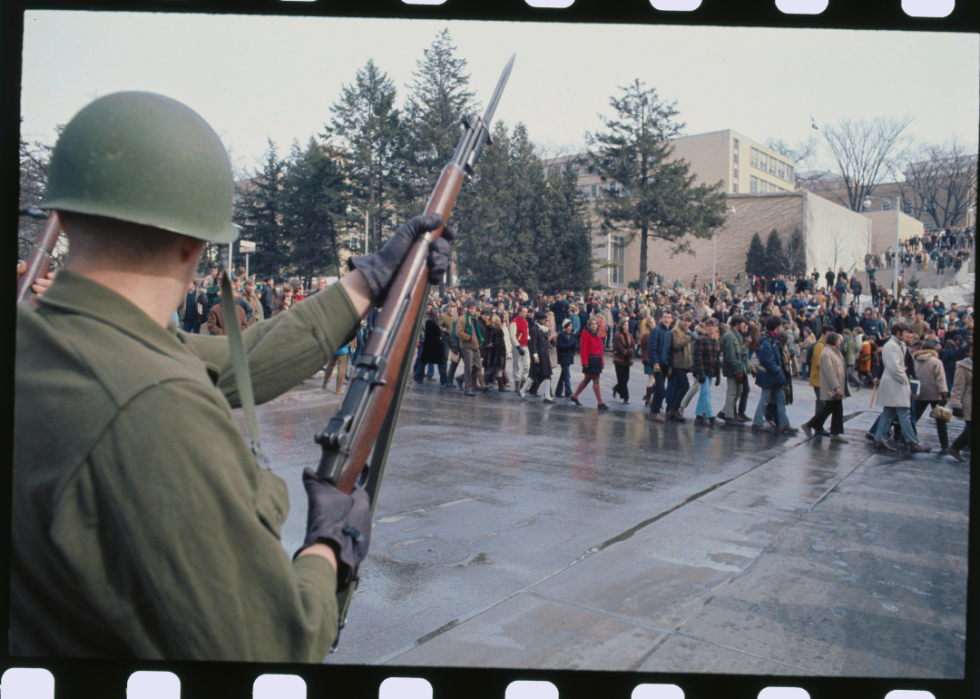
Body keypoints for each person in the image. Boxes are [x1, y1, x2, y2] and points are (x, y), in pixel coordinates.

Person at [12, 92, 450, 661]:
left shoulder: (47, 339)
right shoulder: (154, 408)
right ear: (197, 242)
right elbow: (272, 650)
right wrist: (327, 546)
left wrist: (369, 281)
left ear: (63, 218)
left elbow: (245, 359)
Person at [872, 324, 930, 453]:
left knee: (888, 413)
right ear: (898, 333)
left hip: (894, 383)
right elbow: (895, 368)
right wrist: (906, 382)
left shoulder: (896, 345)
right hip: (895, 383)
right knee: (903, 413)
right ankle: (912, 443)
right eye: (905, 333)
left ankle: (879, 440)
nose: (908, 336)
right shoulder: (892, 346)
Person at [752, 315, 799, 434]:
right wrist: (778, 372)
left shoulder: (770, 339)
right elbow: (768, 361)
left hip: (773, 376)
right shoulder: (767, 340)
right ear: (777, 327)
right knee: (765, 399)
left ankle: (784, 423)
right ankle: (757, 422)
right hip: (770, 375)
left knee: (780, 398)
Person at [801, 332, 849, 442]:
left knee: (836, 409)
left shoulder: (835, 351)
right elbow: (829, 372)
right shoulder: (827, 353)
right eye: (839, 340)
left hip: (836, 386)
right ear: (834, 341)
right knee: (828, 408)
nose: (840, 342)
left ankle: (835, 433)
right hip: (831, 387)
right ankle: (809, 424)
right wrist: (836, 387)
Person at [911, 340, 950, 452]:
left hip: (920, 392)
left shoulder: (915, 361)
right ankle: (945, 445)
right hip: (935, 394)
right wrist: (944, 393)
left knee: (914, 417)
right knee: (941, 420)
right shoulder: (936, 362)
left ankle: (907, 438)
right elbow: (940, 379)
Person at [718, 315, 750, 426]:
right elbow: (731, 356)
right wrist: (737, 371)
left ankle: (724, 412)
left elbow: (742, 351)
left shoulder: (738, 336)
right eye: (743, 323)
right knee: (732, 392)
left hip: (738, 368)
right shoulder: (730, 336)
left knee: (739, 391)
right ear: (737, 324)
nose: (745, 325)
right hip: (733, 370)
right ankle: (728, 417)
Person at [570, 317, 607, 411]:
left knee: (587, 379)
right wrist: (584, 363)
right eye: (592, 324)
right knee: (595, 380)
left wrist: (602, 362)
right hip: (590, 360)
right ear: (589, 325)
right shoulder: (585, 334)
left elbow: (601, 350)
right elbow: (583, 349)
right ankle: (600, 403)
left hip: (597, 360)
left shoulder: (598, 334)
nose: (594, 325)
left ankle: (575, 396)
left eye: (595, 324)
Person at [691, 318, 722, 427]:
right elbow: (697, 358)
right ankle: (711, 417)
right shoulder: (701, 339)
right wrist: (701, 372)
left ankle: (699, 416)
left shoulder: (715, 340)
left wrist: (718, 373)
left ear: (716, 327)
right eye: (709, 325)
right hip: (703, 371)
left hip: (710, 371)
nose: (711, 327)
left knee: (704, 394)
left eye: (714, 325)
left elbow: (716, 359)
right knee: (707, 394)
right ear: (706, 326)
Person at [520, 311, 556, 403]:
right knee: (534, 375)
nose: (544, 320)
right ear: (538, 319)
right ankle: (523, 390)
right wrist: (535, 356)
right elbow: (533, 344)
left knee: (546, 375)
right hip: (539, 356)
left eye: (545, 319)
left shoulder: (544, 328)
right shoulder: (535, 329)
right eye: (543, 319)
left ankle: (547, 395)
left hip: (544, 356)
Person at [646, 310, 674, 422]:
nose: (667, 319)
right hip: (658, 363)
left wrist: (671, 365)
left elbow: (670, 350)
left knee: (664, 388)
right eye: (665, 317)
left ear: (671, 319)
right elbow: (651, 348)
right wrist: (655, 362)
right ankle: (654, 412)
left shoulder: (670, 332)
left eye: (669, 317)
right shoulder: (656, 330)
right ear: (661, 319)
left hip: (666, 363)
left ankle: (655, 408)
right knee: (660, 388)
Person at [946, 343, 972, 462]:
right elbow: (957, 387)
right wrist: (956, 405)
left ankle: (954, 448)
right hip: (969, 404)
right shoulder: (963, 367)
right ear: (968, 353)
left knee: (968, 431)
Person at [611, 318, 634, 403]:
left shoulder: (630, 335)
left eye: (627, 325)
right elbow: (618, 347)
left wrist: (630, 351)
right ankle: (625, 397)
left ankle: (616, 388)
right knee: (622, 379)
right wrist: (626, 352)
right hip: (619, 360)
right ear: (621, 325)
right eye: (624, 325)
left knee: (626, 378)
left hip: (627, 360)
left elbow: (632, 345)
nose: (626, 326)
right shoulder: (617, 335)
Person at [555, 319, 576, 398]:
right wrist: (570, 344)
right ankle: (568, 392)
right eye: (568, 326)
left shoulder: (572, 335)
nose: (570, 328)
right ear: (565, 326)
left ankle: (558, 391)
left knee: (563, 375)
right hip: (563, 356)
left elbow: (574, 344)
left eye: (571, 326)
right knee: (567, 375)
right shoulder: (561, 335)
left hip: (569, 356)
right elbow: (560, 346)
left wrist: (574, 348)